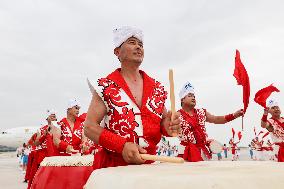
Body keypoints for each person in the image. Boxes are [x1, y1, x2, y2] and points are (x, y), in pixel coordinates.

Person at [84, 26, 181, 169]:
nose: (138, 47)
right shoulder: (106, 86)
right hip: (114, 167)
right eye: (131, 42)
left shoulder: (156, 88)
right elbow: (89, 127)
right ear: (117, 52)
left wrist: (169, 125)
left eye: (140, 45)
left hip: (150, 166)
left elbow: (163, 122)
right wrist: (121, 146)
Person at [177, 82, 243, 162]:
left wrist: (234, 115)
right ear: (182, 100)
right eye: (190, 96)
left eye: (194, 96)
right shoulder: (177, 115)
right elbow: (169, 131)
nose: (193, 98)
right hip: (185, 152)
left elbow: (217, 119)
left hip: (202, 151)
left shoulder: (201, 112)